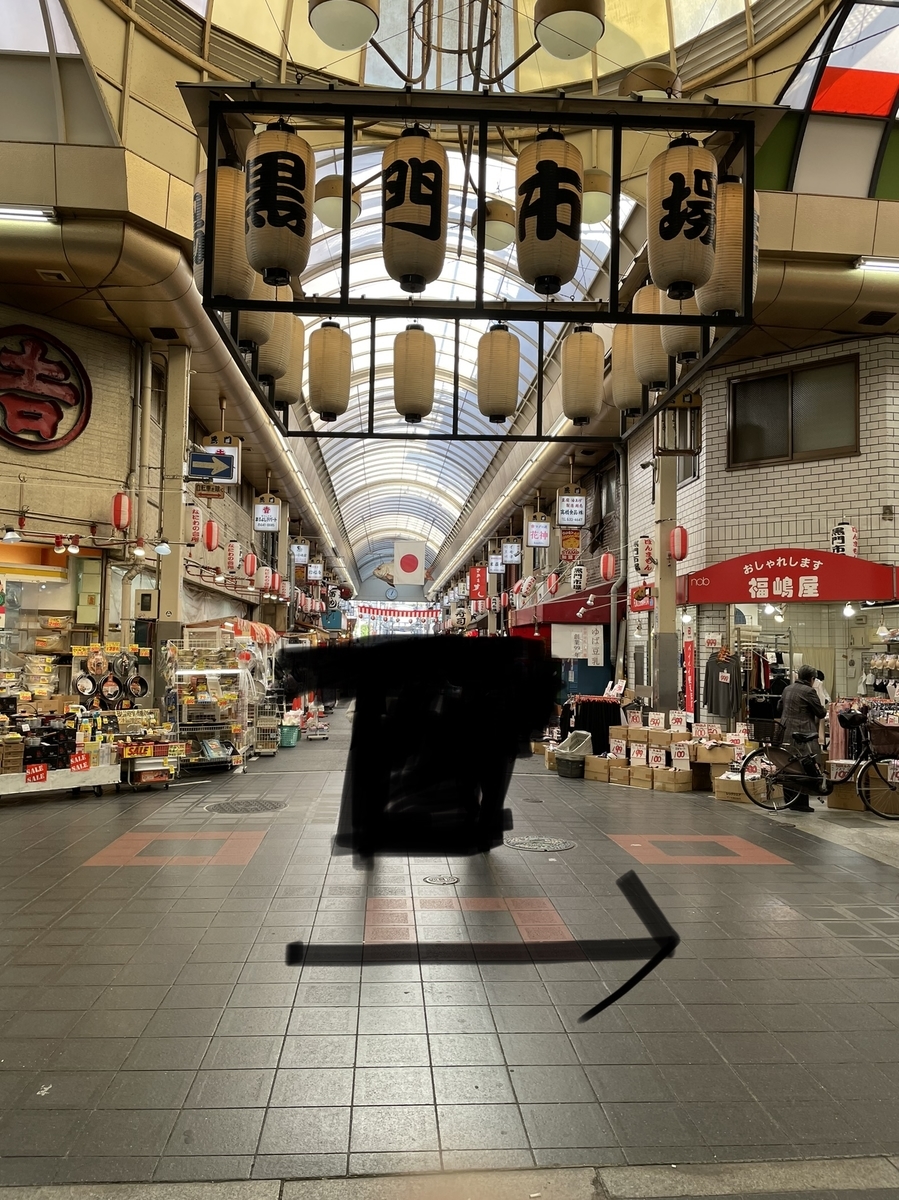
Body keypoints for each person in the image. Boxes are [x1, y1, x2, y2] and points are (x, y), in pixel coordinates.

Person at [777, 664, 826, 812]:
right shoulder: (809, 691)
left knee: (788, 765)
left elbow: (779, 708)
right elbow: (821, 712)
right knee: (804, 766)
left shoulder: (787, 688)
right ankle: (801, 803)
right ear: (811, 679)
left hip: (785, 731)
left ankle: (789, 801)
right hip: (802, 732)